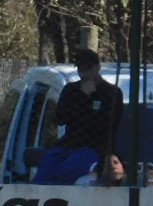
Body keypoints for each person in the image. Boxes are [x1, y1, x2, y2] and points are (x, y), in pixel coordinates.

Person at [34, 48, 124, 185]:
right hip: (68, 144)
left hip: (94, 147)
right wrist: (82, 96)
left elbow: (106, 125)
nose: (84, 73)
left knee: (65, 172)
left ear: (97, 67)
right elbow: (60, 118)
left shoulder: (111, 93)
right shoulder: (71, 90)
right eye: (80, 69)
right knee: (44, 172)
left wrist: (87, 102)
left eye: (87, 68)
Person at [74, 151, 153, 187]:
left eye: (115, 162)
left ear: (123, 168)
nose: (112, 166)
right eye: (107, 165)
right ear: (101, 172)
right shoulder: (86, 186)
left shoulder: (142, 185)